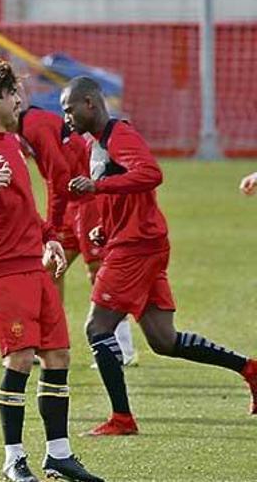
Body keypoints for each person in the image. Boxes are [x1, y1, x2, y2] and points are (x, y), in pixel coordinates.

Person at [63, 76, 257, 437]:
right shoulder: (98, 144)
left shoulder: (120, 135)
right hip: (136, 241)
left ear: (90, 103)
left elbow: (150, 174)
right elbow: (124, 192)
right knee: (163, 340)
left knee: (97, 327)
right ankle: (250, 370)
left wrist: (98, 186)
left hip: (136, 247)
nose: (67, 117)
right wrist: (104, 228)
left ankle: (122, 419)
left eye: (69, 109)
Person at [0, 60, 103, 482]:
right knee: (19, 357)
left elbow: (25, 204)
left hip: (33, 260)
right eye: (13, 92)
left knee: (58, 355)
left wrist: (49, 234)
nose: (20, 99)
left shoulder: (12, 142)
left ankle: (59, 454)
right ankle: (13, 458)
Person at [18, 106, 138, 367]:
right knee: (51, 270)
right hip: (73, 201)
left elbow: (58, 177)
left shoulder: (33, 125)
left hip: (87, 198)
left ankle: (122, 347)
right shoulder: (23, 127)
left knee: (98, 269)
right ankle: (51, 341)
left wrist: (51, 225)